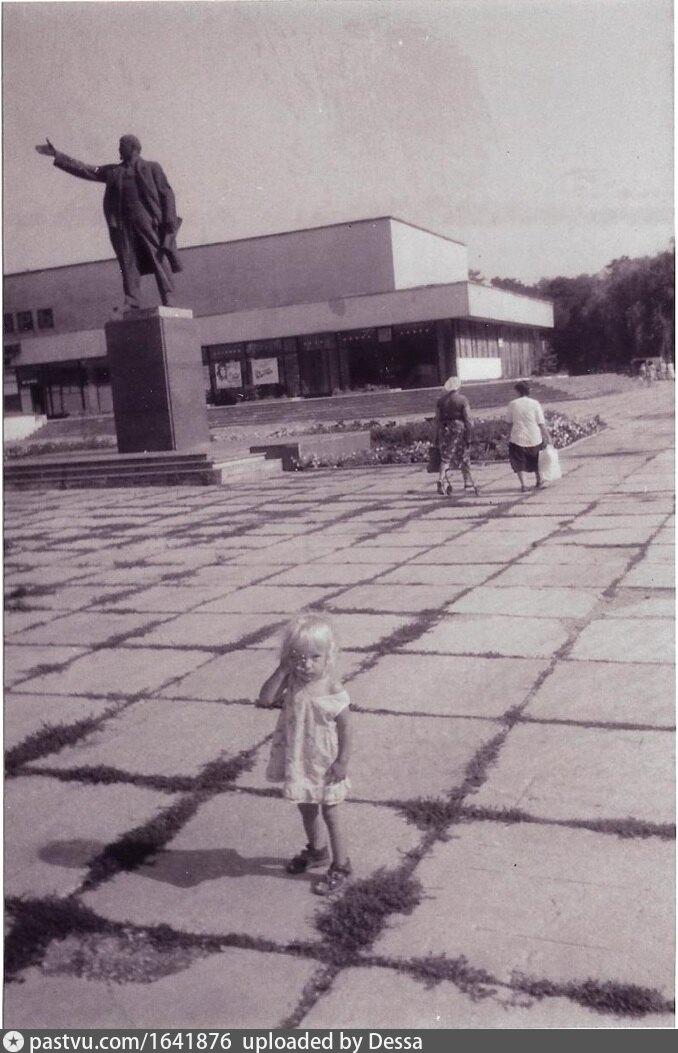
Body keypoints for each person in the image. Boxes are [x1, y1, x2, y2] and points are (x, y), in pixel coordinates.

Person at [256, 614, 352, 896]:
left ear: (328, 656)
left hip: (324, 761)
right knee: (306, 807)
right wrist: (282, 670)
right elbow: (265, 699)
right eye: (298, 657)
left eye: (314, 657)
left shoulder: (333, 689)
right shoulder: (293, 680)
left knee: (330, 812)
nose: (306, 665)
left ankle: (341, 865)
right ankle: (317, 850)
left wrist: (342, 761)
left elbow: (346, 728)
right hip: (299, 758)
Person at [36, 135, 182, 310]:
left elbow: (167, 194)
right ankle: (132, 300)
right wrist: (57, 155)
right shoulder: (114, 171)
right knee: (127, 260)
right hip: (122, 222)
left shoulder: (152, 167)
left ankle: (169, 297)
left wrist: (169, 221)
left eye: (122, 145)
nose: (119, 149)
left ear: (133, 147)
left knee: (158, 257)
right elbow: (87, 169)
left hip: (147, 219)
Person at [434, 376, 479, 496]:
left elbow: (437, 419)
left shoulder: (440, 401)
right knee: (464, 455)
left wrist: (437, 435)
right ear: (458, 387)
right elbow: (467, 417)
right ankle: (467, 482)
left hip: (444, 430)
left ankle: (441, 479)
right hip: (459, 430)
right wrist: (471, 430)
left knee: (445, 457)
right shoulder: (462, 400)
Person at [506, 380, 551, 491]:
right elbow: (541, 422)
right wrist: (547, 436)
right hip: (534, 436)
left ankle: (524, 484)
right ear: (529, 390)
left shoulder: (512, 404)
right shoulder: (535, 403)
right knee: (536, 459)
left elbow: (509, 422)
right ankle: (539, 480)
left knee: (519, 461)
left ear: (517, 391)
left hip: (518, 436)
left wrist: (508, 436)